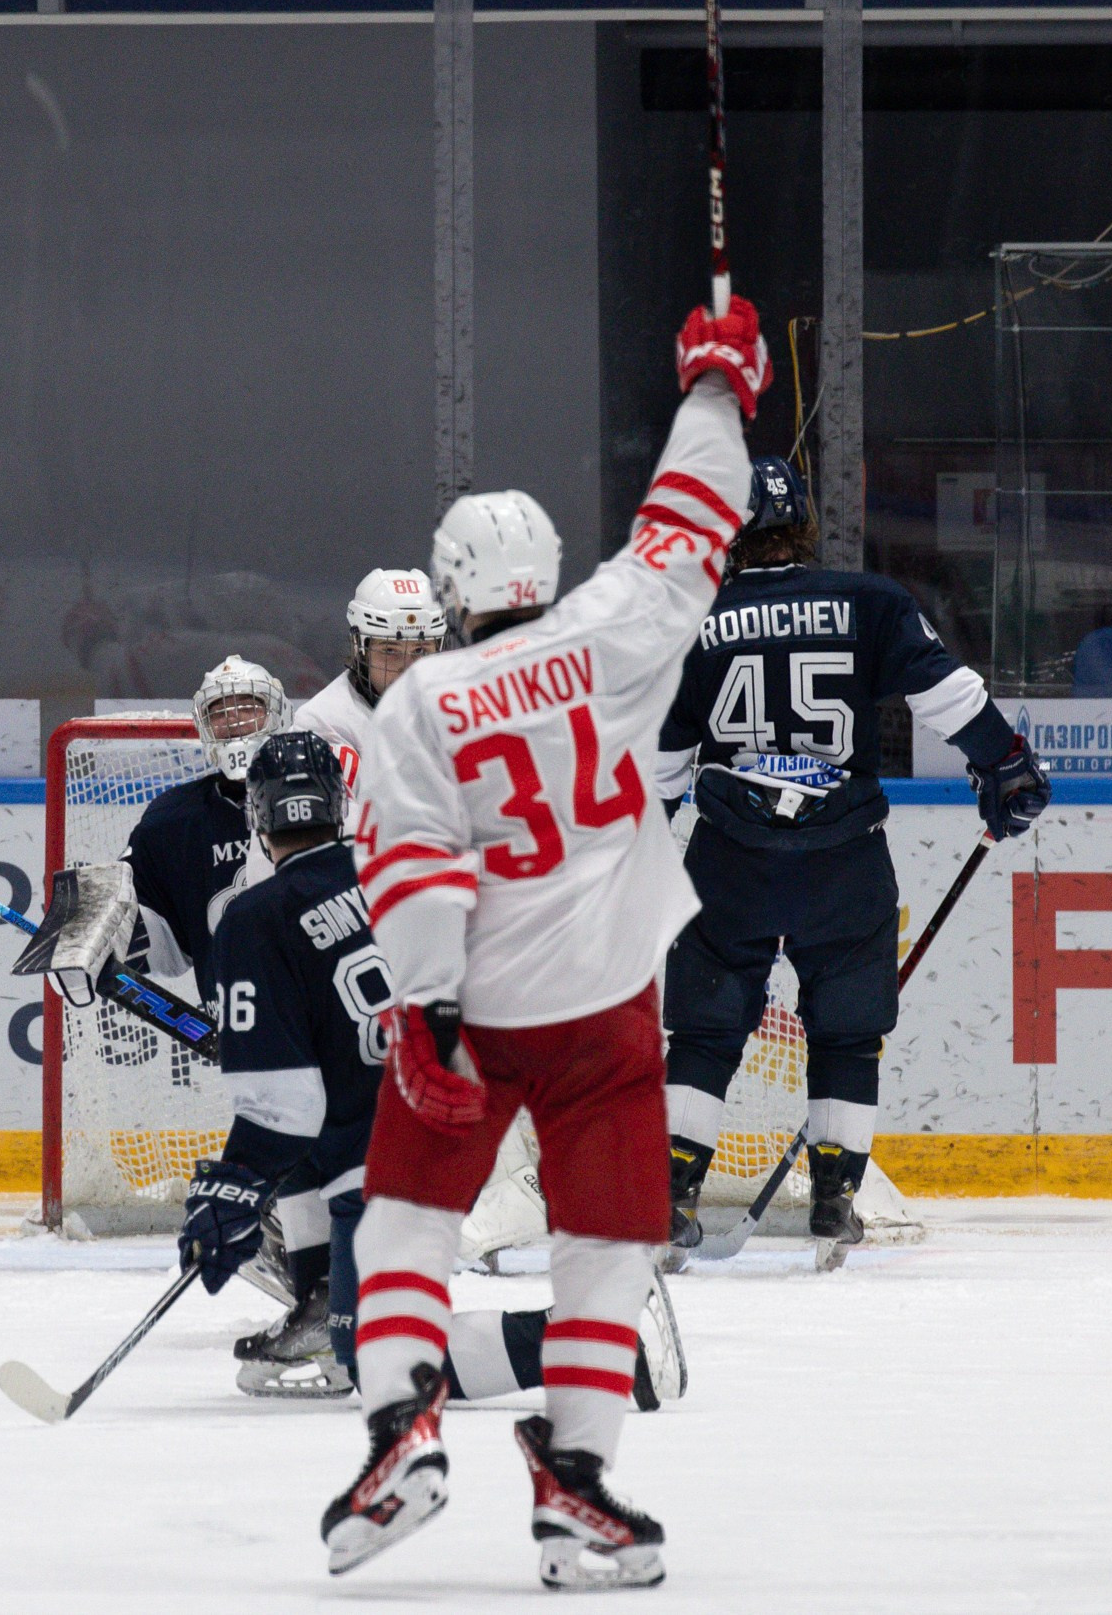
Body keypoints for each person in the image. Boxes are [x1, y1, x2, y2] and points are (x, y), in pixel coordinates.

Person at [320, 296, 767, 1590]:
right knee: (606, 1244)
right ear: (548, 566)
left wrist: (434, 1009)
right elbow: (689, 521)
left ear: (450, 592)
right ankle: (579, 1485)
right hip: (609, 1003)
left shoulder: (423, 699)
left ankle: (401, 1427)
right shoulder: (615, 629)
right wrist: (713, 391)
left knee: (402, 1222)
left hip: (479, 1000)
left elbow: (412, 861)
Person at [183, 732, 674, 1410]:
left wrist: (233, 1191)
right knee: (305, 1160)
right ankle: (331, 1300)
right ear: (339, 802)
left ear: (258, 818)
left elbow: (280, 1102)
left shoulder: (253, 918)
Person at [654, 456, 1048, 1270]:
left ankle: (670, 1195)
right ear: (805, 523)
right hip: (843, 859)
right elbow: (948, 695)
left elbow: (661, 766)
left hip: (731, 858)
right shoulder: (872, 602)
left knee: (705, 1025)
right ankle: (834, 1200)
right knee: (847, 1031)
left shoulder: (690, 621)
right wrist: (1006, 763)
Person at [119, 655, 290, 1004]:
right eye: (219, 712)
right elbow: (162, 948)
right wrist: (99, 938)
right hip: (237, 1034)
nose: (233, 720)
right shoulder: (173, 821)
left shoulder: (320, 793)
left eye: (247, 706)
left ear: (277, 714)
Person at [290, 568, 446, 790]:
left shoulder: (460, 709)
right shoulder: (324, 724)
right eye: (390, 651)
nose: (408, 668)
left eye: (420, 650)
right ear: (360, 649)